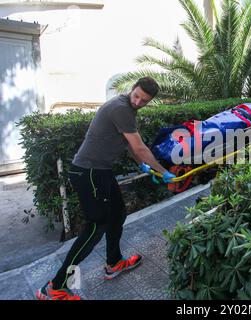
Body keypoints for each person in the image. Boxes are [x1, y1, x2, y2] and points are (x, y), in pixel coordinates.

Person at [36, 77, 176, 300]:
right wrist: (162, 171)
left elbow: (130, 142)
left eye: (144, 100)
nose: (138, 101)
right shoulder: (121, 108)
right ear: (132, 89)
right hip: (89, 172)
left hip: (100, 172)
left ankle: (114, 263)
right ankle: (55, 286)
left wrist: (141, 164)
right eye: (137, 96)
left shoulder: (128, 109)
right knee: (95, 226)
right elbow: (139, 147)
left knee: (117, 213)